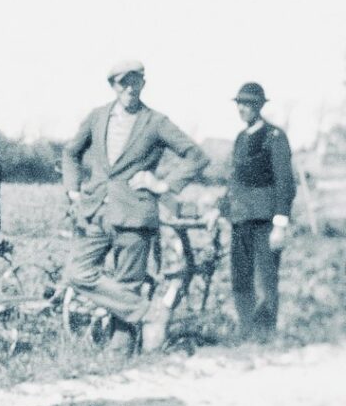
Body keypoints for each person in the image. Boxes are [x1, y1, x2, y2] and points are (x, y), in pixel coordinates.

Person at [61, 60, 209, 352]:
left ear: (143, 83)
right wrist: (74, 192)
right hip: (96, 212)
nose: (129, 88)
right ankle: (149, 313)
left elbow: (196, 156)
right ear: (113, 86)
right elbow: (70, 153)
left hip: (135, 213)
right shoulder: (97, 117)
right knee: (77, 273)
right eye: (122, 82)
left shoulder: (155, 122)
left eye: (135, 82)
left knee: (128, 284)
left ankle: (120, 357)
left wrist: (163, 185)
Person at [228, 82, 296, 341]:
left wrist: (280, 223)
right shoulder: (240, 138)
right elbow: (234, 180)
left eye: (249, 104)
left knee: (266, 277)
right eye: (240, 104)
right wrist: (220, 210)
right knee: (240, 275)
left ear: (259, 106)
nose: (243, 108)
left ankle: (266, 334)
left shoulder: (274, 137)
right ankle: (245, 331)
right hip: (240, 219)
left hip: (266, 219)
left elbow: (285, 181)